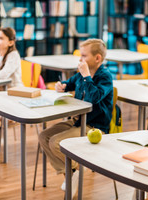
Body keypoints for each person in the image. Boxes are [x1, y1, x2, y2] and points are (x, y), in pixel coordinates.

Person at [38, 39, 113, 197]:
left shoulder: (104, 76)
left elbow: (94, 97)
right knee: (44, 136)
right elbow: (69, 83)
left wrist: (86, 75)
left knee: (56, 142)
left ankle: (78, 168)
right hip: (77, 121)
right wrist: (62, 85)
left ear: (97, 58)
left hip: (94, 126)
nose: (80, 59)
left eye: (84, 56)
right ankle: (72, 173)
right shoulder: (81, 74)